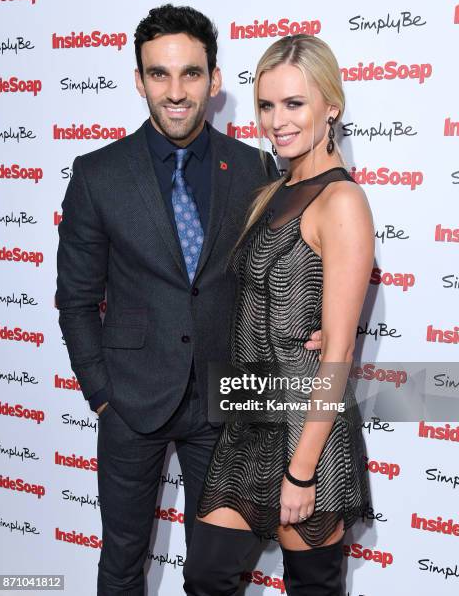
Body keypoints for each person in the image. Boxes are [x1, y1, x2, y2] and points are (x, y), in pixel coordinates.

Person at [55, 5, 323, 595]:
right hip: (130, 400)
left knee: (215, 571)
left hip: (226, 404)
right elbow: (74, 300)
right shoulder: (98, 174)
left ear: (215, 79)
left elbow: (277, 271)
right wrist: (102, 394)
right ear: (139, 79)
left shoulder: (255, 167)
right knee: (122, 562)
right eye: (159, 74)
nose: (175, 92)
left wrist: (315, 323)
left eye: (191, 74)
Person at [183, 34, 374, 596]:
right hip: (251, 414)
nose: (277, 121)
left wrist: (302, 469)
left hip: (303, 427)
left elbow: (337, 351)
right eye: (267, 105)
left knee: (311, 585)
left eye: (295, 104)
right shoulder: (277, 189)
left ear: (330, 106)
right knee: (207, 575)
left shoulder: (341, 202)